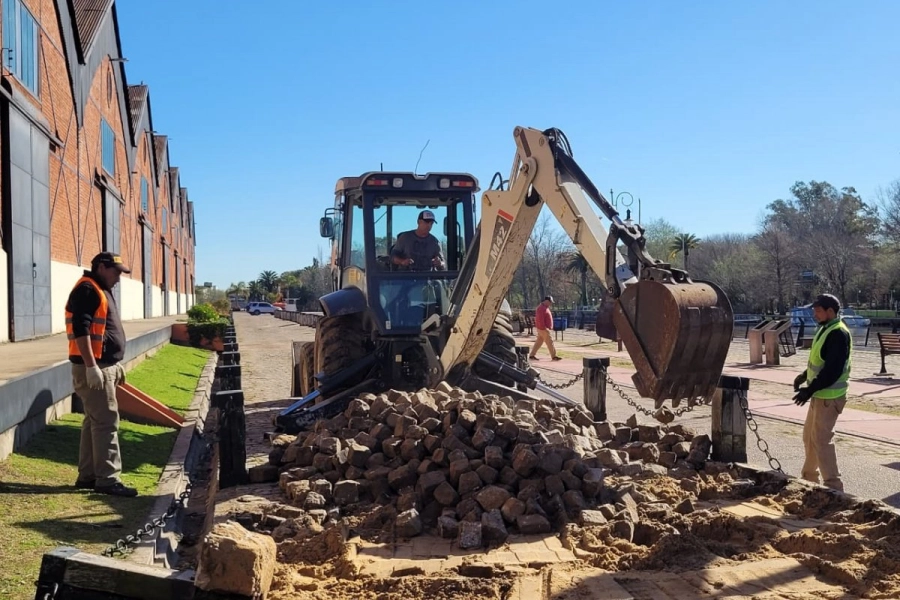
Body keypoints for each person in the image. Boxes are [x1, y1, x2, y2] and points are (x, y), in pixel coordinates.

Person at [65, 252, 138, 497]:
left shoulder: (99, 288)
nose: (118, 277)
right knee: (106, 422)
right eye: (116, 272)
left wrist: (113, 364)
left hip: (103, 366)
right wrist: (91, 366)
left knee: (93, 422)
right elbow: (81, 330)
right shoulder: (88, 289)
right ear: (101, 268)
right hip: (94, 367)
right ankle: (108, 479)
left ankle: (88, 476)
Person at [792, 293, 851, 492]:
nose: (814, 315)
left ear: (830, 311)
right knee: (810, 438)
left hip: (830, 397)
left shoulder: (838, 333)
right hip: (820, 394)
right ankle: (809, 479)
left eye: (818, 311)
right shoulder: (825, 329)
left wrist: (809, 390)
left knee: (821, 440)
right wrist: (804, 377)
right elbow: (820, 363)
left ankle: (833, 487)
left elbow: (832, 370)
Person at [530, 296, 561, 361]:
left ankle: (532, 355)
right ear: (546, 301)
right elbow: (540, 319)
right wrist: (544, 327)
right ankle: (554, 356)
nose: (551, 303)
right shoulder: (541, 308)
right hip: (543, 328)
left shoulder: (545, 307)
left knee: (539, 342)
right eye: (550, 302)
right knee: (550, 342)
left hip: (542, 328)